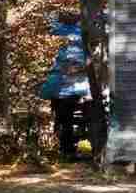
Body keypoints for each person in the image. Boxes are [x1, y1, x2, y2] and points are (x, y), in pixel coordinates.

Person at [38, 16, 99, 160]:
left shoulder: (78, 40)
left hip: (74, 90)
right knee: (66, 120)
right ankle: (68, 150)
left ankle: (73, 149)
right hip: (65, 90)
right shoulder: (63, 39)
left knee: (71, 119)